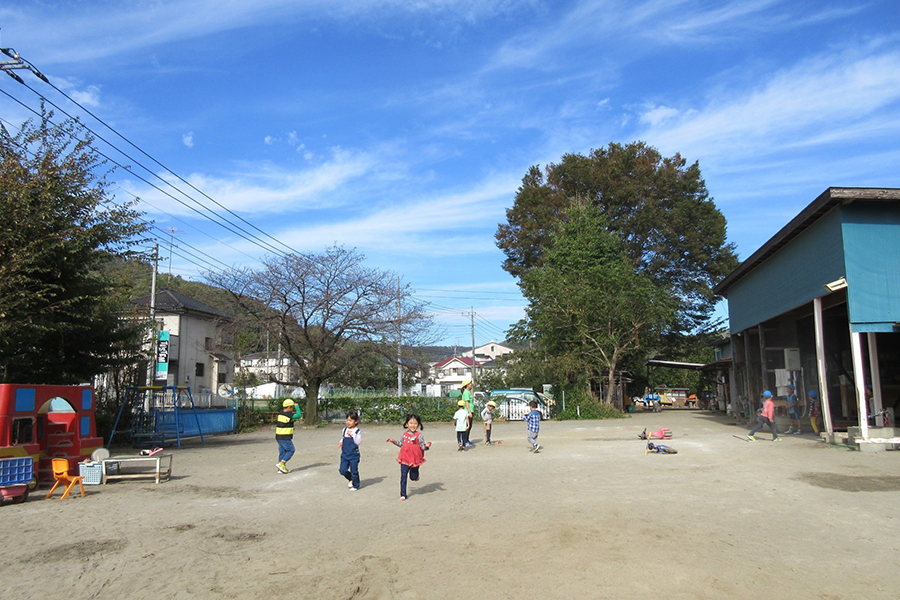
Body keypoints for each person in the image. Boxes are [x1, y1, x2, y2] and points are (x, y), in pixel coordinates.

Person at [386, 413, 431, 501]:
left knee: (413, 477)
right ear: (406, 424)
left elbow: (422, 447)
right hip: (404, 458)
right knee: (403, 476)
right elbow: (401, 444)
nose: (413, 425)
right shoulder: (404, 435)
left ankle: (416, 475)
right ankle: (403, 494)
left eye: (415, 423)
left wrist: (427, 446)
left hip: (415, 459)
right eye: (411, 423)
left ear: (418, 425)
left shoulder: (419, 435)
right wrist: (393, 441)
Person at [275, 398, 302, 473]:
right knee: (291, 450)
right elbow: (299, 415)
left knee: (282, 452)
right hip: (285, 436)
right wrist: (297, 407)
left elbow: (288, 421)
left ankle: (280, 469)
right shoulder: (289, 415)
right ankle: (282, 463)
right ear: (289, 407)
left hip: (279, 436)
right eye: (292, 407)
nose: (293, 408)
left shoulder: (281, 413)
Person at [338, 411, 361, 491]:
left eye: (350, 420)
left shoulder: (357, 431)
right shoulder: (344, 430)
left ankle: (356, 485)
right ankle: (351, 478)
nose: (348, 422)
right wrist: (341, 442)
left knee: (354, 470)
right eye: (347, 420)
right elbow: (344, 438)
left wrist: (353, 435)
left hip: (354, 454)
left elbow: (358, 442)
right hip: (345, 454)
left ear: (356, 421)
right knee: (342, 470)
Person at [461, 379, 475, 447]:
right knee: (467, 426)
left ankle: (467, 440)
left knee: (470, 427)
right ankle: (465, 441)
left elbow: (472, 398)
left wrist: (472, 390)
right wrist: (469, 412)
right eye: (470, 384)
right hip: (467, 411)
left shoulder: (468, 392)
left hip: (471, 410)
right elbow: (466, 402)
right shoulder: (466, 392)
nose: (471, 384)